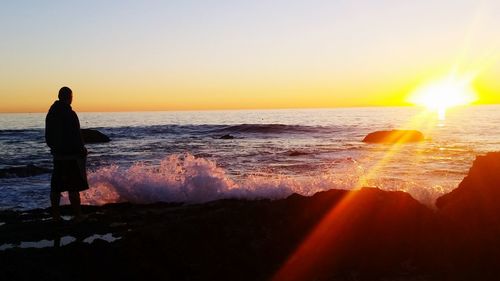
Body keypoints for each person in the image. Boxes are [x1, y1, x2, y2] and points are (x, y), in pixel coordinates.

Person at [45, 86, 88, 222]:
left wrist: (54, 148)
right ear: (68, 97)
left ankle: (56, 216)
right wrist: (82, 150)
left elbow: (48, 136)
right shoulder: (70, 114)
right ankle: (78, 215)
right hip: (71, 156)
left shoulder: (51, 113)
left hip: (57, 156)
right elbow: (76, 135)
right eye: (71, 96)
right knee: (73, 186)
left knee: (56, 187)